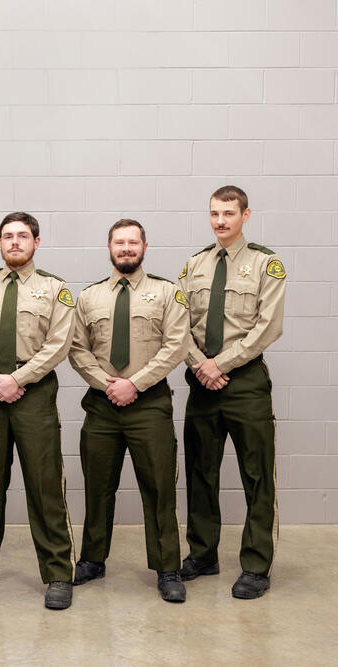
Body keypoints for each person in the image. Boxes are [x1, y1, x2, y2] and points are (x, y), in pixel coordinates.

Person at [0, 211, 77, 610]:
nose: (15, 242)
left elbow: (59, 343)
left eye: (23, 236)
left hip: (34, 394)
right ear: (0, 243)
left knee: (44, 486)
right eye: (8, 236)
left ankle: (57, 571)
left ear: (36, 243)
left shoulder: (55, 290)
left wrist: (18, 379)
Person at [67, 219, 189, 603]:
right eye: (119, 242)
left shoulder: (168, 293)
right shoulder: (89, 298)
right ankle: (92, 558)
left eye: (132, 242)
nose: (126, 248)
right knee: (98, 486)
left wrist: (134, 384)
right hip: (102, 407)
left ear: (145, 246)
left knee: (158, 489)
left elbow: (177, 345)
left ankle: (168, 567)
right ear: (109, 247)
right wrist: (109, 385)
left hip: (149, 405)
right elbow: (77, 348)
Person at [178, 186, 286, 600]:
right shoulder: (195, 265)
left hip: (245, 384)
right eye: (214, 214)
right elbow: (179, 324)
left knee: (257, 476)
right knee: (200, 472)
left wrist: (219, 365)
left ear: (245, 214)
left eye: (228, 213)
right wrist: (198, 364)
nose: (220, 221)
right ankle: (203, 554)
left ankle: (256, 565)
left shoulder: (266, 264)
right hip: (201, 381)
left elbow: (268, 326)